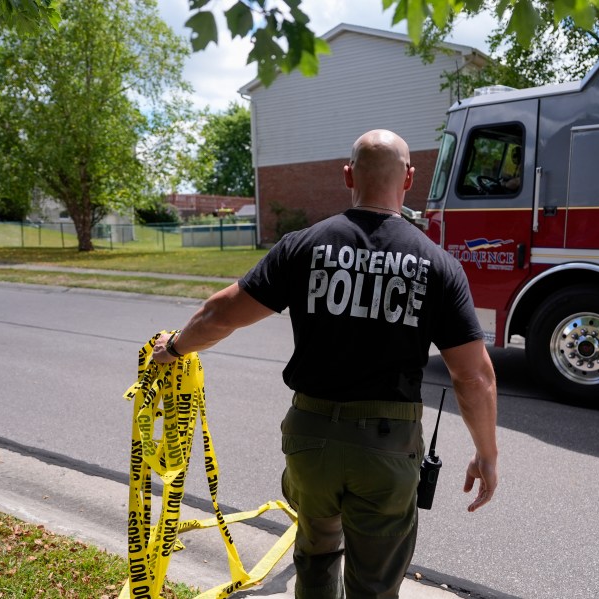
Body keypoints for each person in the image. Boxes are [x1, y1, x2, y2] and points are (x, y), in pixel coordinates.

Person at [152, 129, 498, 599]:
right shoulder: (437, 264)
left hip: (310, 438)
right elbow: (473, 375)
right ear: (409, 179)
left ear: (348, 174)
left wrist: (174, 348)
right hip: (387, 446)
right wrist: (486, 454)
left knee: (315, 556)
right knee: (374, 585)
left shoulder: (303, 247)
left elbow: (220, 314)